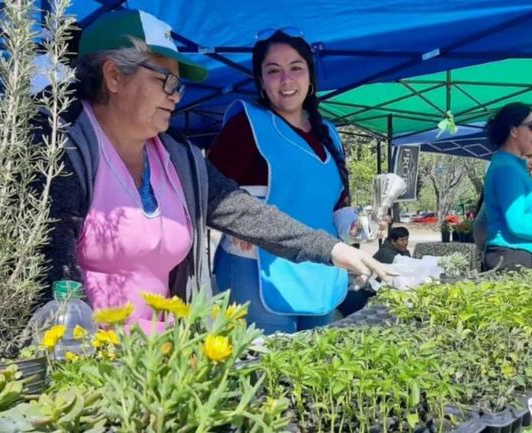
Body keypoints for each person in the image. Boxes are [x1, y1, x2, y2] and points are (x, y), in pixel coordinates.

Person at [40, 10, 391, 332]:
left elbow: (242, 210)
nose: (176, 95)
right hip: (92, 361)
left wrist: (333, 249)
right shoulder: (59, 155)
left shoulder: (178, 157)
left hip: (162, 359)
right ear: (114, 76)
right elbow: (48, 275)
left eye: (179, 85)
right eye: (167, 80)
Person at [207, 28, 376, 334]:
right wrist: (238, 223)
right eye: (274, 71)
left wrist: (352, 223)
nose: (286, 80)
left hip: (321, 270)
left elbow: (337, 204)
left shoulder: (329, 134)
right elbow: (210, 194)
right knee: (266, 373)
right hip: (257, 272)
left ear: (310, 76)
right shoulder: (246, 125)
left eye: (296, 68)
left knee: (313, 371)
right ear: (261, 81)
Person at [479, 103, 532, 272]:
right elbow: (517, 224)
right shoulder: (507, 168)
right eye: (531, 126)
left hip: (513, 255)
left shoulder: (510, 165)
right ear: (513, 131)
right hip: (511, 256)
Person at [473, 143, 532, 252]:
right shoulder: (507, 180)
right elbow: (481, 227)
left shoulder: (522, 180)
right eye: (528, 156)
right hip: (502, 250)